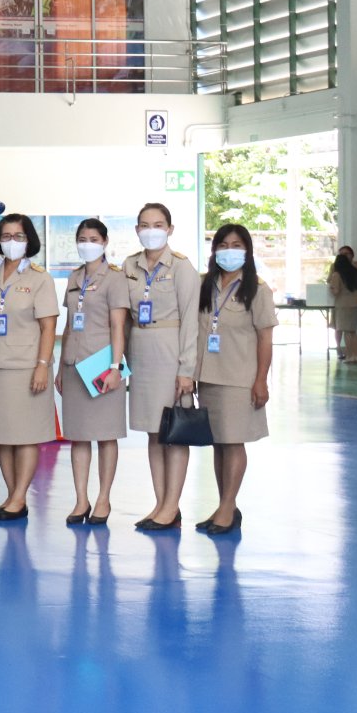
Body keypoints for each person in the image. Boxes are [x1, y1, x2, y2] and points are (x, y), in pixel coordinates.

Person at [0, 212, 59, 522]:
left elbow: (48, 327)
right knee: (3, 434)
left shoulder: (40, 278)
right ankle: (13, 495)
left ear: (29, 240)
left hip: (26, 367)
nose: (12, 241)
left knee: (25, 435)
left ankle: (20, 496)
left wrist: (42, 366)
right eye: (6, 236)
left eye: (18, 236)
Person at [122, 203, 200, 530]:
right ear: (137, 229)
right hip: (141, 353)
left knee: (174, 431)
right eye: (144, 224)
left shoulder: (181, 267)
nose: (150, 230)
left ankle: (172, 506)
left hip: (171, 353)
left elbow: (192, 320)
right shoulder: (129, 265)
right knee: (154, 432)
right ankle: (160, 505)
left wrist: (187, 369)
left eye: (157, 224)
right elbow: (123, 317)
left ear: (170, 229)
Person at [196, 225, 275, 533]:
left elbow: (265, 339)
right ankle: (224, 506)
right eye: (223, 244)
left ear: (247, 251)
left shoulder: (257, 288)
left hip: (239, 377)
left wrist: (261, 380)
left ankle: (228, 508)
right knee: (218, 443)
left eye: (237, 245)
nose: (229, 250)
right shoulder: (205, 284)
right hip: (208, 377)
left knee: (232, 442)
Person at [59, 219, 131, 525]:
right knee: (78, 436)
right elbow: (68, 324)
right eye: (82, 238)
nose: (87, 244)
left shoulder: (115, 278)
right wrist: (60, 367)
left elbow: (118, 326)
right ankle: (81, 500)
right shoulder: (74, 277)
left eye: (93, 239)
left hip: (102, 366)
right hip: (74, 365)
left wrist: (115, 367)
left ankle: (103, 499)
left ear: (104, 242)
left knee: (105, 435)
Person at [328, 247, 357, 363]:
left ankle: (349, 356)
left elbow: (336, 291)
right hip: (356, 304)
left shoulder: (337, 275)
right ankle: (356, 356)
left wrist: (331, 288)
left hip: (343, 305)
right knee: (353, 332)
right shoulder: (356, 272)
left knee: (346, 332)